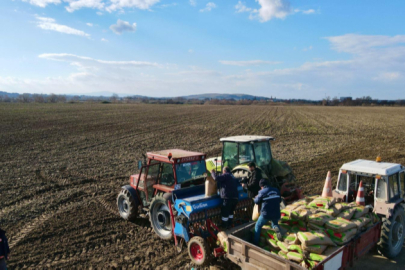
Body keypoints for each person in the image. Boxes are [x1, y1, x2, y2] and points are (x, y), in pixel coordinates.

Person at [253, 179, 282, 246]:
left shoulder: (262, 192)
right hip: (276, 213)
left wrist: (256, 197)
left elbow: (257, 202)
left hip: (266, 214)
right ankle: (276, 228)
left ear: (261, 186)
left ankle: (255, 243)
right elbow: (279, 200)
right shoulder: (276, 190)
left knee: (258, 226)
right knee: (274, 223)